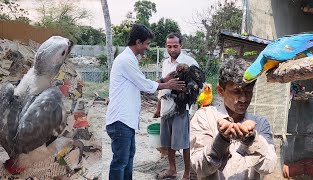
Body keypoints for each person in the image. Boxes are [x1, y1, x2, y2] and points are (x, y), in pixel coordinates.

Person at [106, 24, 185, 180]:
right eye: (147, 43)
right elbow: (144, 85)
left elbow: (140, 82)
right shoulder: (126, 60)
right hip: (120, 120)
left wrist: (164, 79)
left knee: (128, 159)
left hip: (126, 121)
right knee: (120, 162)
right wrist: (167, 85)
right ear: (138, 42)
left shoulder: (130, 59)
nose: (148, 47)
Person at [190, 58, 277, 179]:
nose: (243, 99)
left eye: (248, 91)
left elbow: (270, 166)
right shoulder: (204, 117)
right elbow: (199, 167)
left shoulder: (260, 124)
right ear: (221, 91)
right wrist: (221, 141)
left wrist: (252, 140)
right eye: (236, 91)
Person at [154, 32, 199, 180]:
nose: (172, 49)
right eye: (169, 46)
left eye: (175, 46)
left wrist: (187, 90)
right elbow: (163, 86)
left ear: (181, 45)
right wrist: (158, 107)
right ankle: (172, 169)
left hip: (181, 107)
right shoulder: (165, 63)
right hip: (166, 106)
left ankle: (186, 173)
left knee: (184, 142)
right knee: (167, 141)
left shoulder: (190, 61)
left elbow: (199, 85)